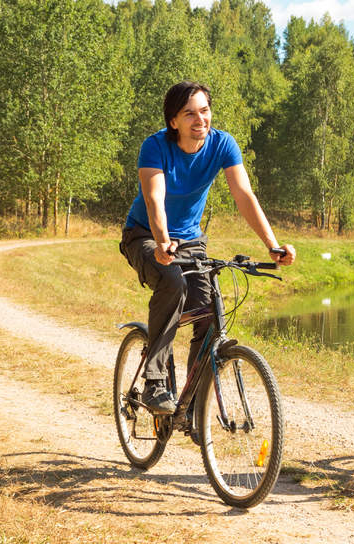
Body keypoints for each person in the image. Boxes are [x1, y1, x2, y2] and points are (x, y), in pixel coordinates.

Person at [119, 81, 295, 415]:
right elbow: (155, 199)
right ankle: (155, 382)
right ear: (174, 121)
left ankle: (192, 407)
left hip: (190, 240)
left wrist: (272, 246)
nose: (200, 119)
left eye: (204, 110)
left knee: (209, 313)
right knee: (172, 282)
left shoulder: (222, 144)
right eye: (189, 114)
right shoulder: (155, 146)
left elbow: (244, 195)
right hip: (144, 234)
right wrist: (161, 242)